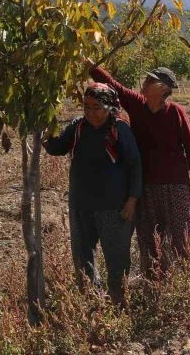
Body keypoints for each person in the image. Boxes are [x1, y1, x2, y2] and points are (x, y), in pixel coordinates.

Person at [89, 63, 190, 273]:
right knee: (151, 241)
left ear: (162, 89)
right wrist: (90, 66)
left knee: (185, 238)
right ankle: (155, 289)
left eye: (150, 80)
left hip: (176, 186)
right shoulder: (137, 105)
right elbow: (114, 86)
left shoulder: (176, 113)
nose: (144, 83)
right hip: (148, 186)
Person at [43, 83, 142, 306]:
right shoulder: (78, 127)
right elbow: (59, 147)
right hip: (81, 204)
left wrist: (132, 201)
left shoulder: (120, 130)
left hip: (113, 207)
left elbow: (135, 166)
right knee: (82, 255)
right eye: (86, 107)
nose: (90, 113)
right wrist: (44, 133)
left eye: (96, 107)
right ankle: (91, 301)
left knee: (116, 257)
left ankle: (118, 302)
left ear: (109, 106)